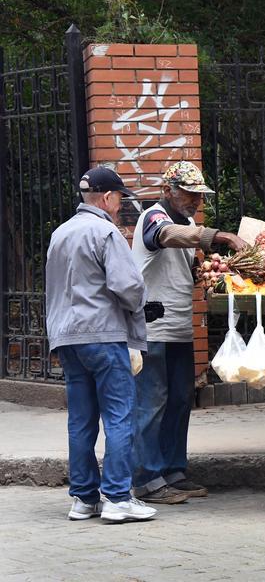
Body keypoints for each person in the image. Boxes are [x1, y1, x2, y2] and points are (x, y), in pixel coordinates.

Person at [131, 161, 247, 504]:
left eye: (199, 194)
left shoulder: (189, 221)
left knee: (180, 400)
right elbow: (165, 237)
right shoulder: (154, 217)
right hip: (153, 328)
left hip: (180, 326)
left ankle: (172, 471)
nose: (195, 200)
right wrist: (220, 237)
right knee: (152, 402)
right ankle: (146, 479)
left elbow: (183, 264)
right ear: (167, 191)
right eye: (188, 192)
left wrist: (210, 271)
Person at [46, 167, 157, 523]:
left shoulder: (60, 233)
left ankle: (83, 499)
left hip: (68, 338)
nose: (119, 204)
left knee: (81, 421)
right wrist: (141, 304)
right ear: (108, 198)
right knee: (119, 416)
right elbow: (127, 286)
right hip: (103, 336)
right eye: (119, 198)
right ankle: (117, 498)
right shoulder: (105, 231)